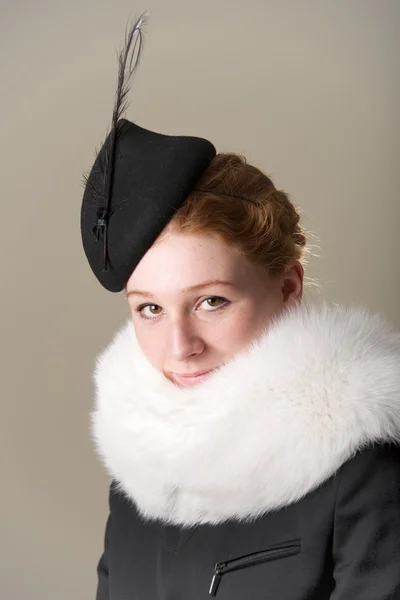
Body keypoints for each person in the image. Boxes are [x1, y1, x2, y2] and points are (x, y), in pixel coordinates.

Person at [81, 16, 400, 600]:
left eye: (211, 301)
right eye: (149, 309)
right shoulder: (139, 471)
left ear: (289, 287)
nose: (180, 346)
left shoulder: (361, 468)